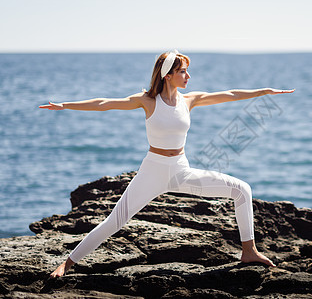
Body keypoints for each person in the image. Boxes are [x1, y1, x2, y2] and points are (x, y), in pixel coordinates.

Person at [40, 50, 295, 278]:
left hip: (181, 172)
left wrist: (263, 91)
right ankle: (67, 264)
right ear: (167, 75)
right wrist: (65, 105)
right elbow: (104, 103)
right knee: (114, 222)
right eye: (183, 71)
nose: (188, 76)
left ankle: (248, 251)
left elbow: (228, 95)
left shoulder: (189, 100)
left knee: (242, 189)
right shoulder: (147, 101)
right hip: (152, 172)